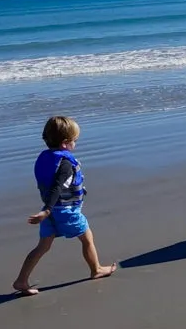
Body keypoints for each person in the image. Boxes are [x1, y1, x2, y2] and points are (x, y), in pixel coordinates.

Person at [13, 115, 116, 295]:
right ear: (65, 143)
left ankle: (21, 281)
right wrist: (46, 210)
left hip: (51, 211)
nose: (75, 144)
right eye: (75, 141)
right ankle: (96, 269)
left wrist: (46, 210)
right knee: (87, 238)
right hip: (64, 211)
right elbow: (56, 187)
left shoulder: (45, 158)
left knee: (43, 246)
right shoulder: (66, 163)